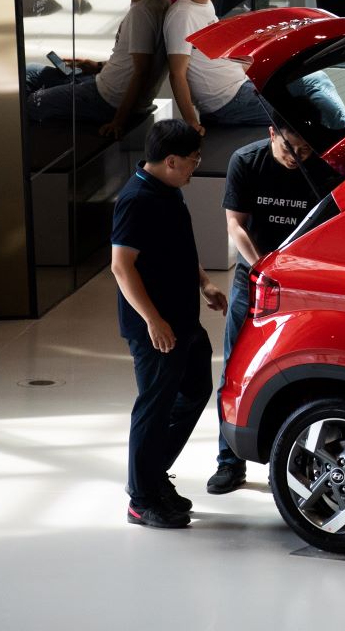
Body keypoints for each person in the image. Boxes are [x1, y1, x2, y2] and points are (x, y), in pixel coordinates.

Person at [206, 123, 339, 494]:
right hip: (254, 278)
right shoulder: (246, 161)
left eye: (305, 151)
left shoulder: (322, 169)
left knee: (303, 371)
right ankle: (228, 462)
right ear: (271, 134)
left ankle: (292, 462)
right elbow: (235, 225)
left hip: (304, 284)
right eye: (289, 147)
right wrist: (262, 267)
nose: (296, 158)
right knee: (235, 368)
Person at [110, 119, 228, 528]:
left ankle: (152, 473)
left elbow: (178, 248)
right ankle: (141, 497)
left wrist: (205, 282)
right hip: (157, 327)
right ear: (172, 160)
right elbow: (121, 268)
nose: (197, 166)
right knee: (154, 407)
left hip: (183, 318)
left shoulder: (169, 190)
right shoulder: (137, 199)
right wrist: (153, 321)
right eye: (193, 160)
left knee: (195, 388)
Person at [26, 0, 168, 135]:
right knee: (31, 71)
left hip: (106, 99)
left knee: (33, 103)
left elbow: (141, 71)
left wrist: (118, 121)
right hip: (103, 82)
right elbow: (131, 61)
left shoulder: (142, 14)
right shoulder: (158, 3)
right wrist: (97, 66)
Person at [165, 0, 276, 131]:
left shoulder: (205, 5)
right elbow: (176, 74)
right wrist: (192, 122)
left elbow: (216, 56)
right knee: (299, 107)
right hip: (228, 102)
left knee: (310, 81)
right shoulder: (182, 16)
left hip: (241, 87)